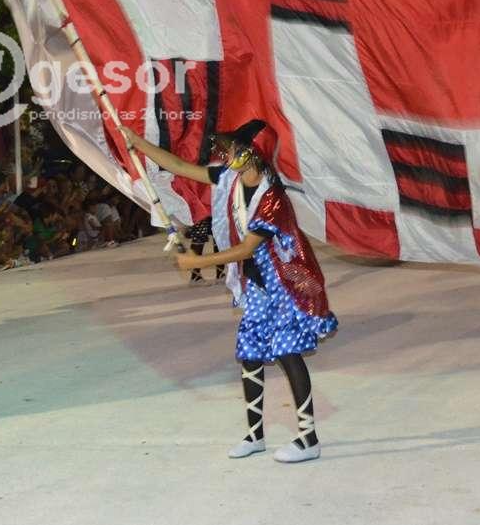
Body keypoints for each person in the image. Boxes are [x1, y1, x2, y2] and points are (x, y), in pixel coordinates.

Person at [122, 119, 338, 463]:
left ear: (253, 153)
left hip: (285, 286)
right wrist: (137, 143)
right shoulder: (229, 179)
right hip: (257, 287)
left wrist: (198, 262)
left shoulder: (273, 199)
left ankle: (308, 439)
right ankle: (255, 436)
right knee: (250, 354)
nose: (226, 153)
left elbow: (247, 249)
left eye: (234, 148)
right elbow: (180, 167)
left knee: (288, 353)